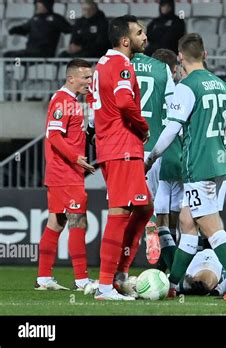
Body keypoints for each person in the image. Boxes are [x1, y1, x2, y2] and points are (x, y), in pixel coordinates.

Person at [145, 33, 226, 300]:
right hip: (223, 165)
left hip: (199, 166)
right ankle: (174, 284)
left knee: (211, 228)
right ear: (205, 55)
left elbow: (171, 130)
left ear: (180, 57)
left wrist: (150, 158)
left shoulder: (186, 87)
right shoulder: (224, 86)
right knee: (188, 222)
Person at [88, 15, 153, 301]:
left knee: (144, 208)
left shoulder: (102, 65)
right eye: (140, 33)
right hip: (122, 147)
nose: (145, 37)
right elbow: (126, 102)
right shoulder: (122, 64)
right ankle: (106, 284)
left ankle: (118, 275)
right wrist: (143, 127)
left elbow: (95, 109)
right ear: (126, 41)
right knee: (120, 214)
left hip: (113, 146)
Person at [36, 59, 96, 292]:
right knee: (78, 221)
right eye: (85, 78)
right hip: (65, 173)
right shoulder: (62, 100)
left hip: (65, 172)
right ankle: (82, 280)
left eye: (91, 78)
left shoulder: (72, 101)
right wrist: (75, 158)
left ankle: (43, 278)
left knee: (56, 222)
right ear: (71, 78)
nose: (89, 82)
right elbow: (54, 135)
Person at [130, 48, 178, 269]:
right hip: (159, 148)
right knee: (166, 214)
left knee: (123, 210)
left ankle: (115, 276)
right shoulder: (163, 74)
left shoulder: (121, 66)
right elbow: (173, 116)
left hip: (128, 147)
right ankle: (171, 273)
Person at [4, 0, 71, 58]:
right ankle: (17, 71)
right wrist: (14, 30)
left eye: (39, 3)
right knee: (7, 55)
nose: (37, 5)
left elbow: (69, 29)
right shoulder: (35, 18)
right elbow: (24, 28)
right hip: (30, 52)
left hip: (44, 53)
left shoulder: (56, 18)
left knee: (18, 57)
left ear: (46, 5)